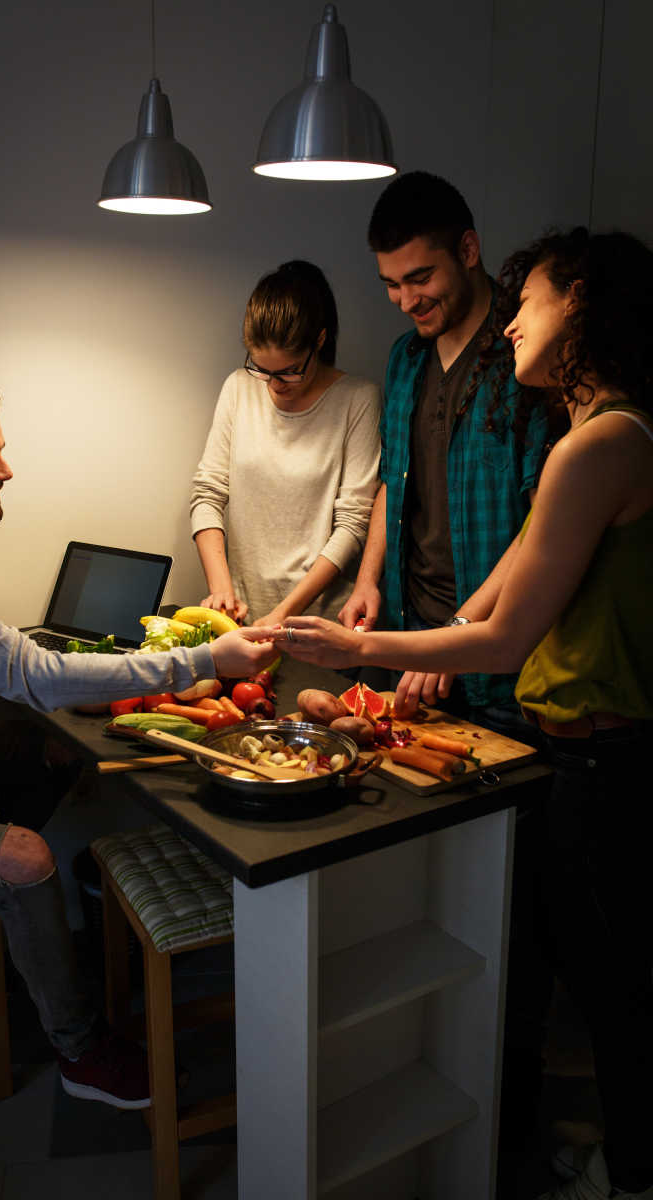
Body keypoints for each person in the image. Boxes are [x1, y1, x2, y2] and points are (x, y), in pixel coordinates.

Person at [262, 228, 653, 1200]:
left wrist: (358, 648)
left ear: (586, 311)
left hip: (602, 763)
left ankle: (635, 1175)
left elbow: (498, 641)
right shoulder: (597, 434)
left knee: (614, 992)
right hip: (590, 758)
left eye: (535, 300)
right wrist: (391, 658)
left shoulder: (598, 445)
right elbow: (493, 592)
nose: (513, 318)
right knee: (589, 972)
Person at [0, 373, 275, 1111]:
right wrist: (208, 660)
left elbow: (2, 664)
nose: (5, 470)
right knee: (26, 860)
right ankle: (80, 1051)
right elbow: (37, 674)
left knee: (45, 751)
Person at [339, 171, 556, 737]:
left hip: (493, 669)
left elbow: (544, 525)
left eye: (419, 277)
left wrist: (458, 632)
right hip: (406, 647)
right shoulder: (405, 359)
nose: (406, 300)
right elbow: (393, 479)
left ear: (468, 249)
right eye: (391, 283)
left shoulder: (526, 357)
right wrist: (368, 581)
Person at [190, 258, 381, 627]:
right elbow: (207, 494)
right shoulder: (239, 387)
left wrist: (283, 614)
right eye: (262, 369)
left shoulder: (358, 399)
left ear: (320, 341)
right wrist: (222, 591)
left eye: (290, 371)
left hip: (320, 624)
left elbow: (354, 524)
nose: (275, 384)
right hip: (241, 618)